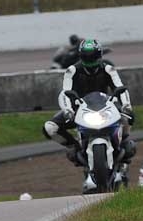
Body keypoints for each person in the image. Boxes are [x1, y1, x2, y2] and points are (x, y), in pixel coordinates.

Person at [42, 38, 137, 170]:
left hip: (106, 105)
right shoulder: (72, 70)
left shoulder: (109, 69)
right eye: (87, 57)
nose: (90, 60)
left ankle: (124, 140)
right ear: (81, 56)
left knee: (128, 116)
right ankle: (74, 146)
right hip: (78, 107)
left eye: (93, 56)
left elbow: (120, 87)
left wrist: (127, 105)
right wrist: (68, 110)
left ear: (100, 56)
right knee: (49, 128)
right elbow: (65, 93)